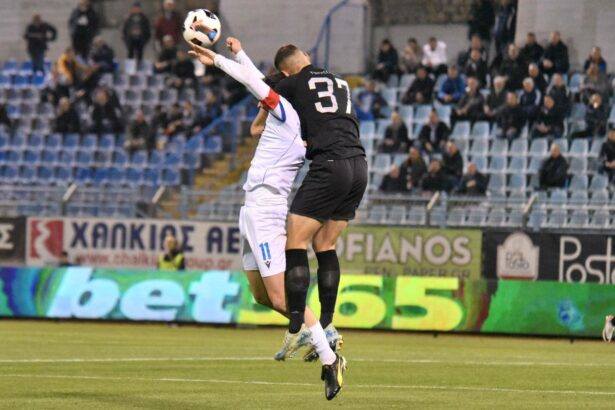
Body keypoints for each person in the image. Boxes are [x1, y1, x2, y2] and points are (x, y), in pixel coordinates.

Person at [189, 37, 345, 400]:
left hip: (267, 209)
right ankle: (314, 331)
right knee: (261, 295)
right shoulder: (289, 116)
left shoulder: (288, 114)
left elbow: (255, 84)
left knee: (280, 297)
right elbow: (262, 83)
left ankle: (329, 353)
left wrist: (218, 60)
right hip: (251, 209)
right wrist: (240, 52)